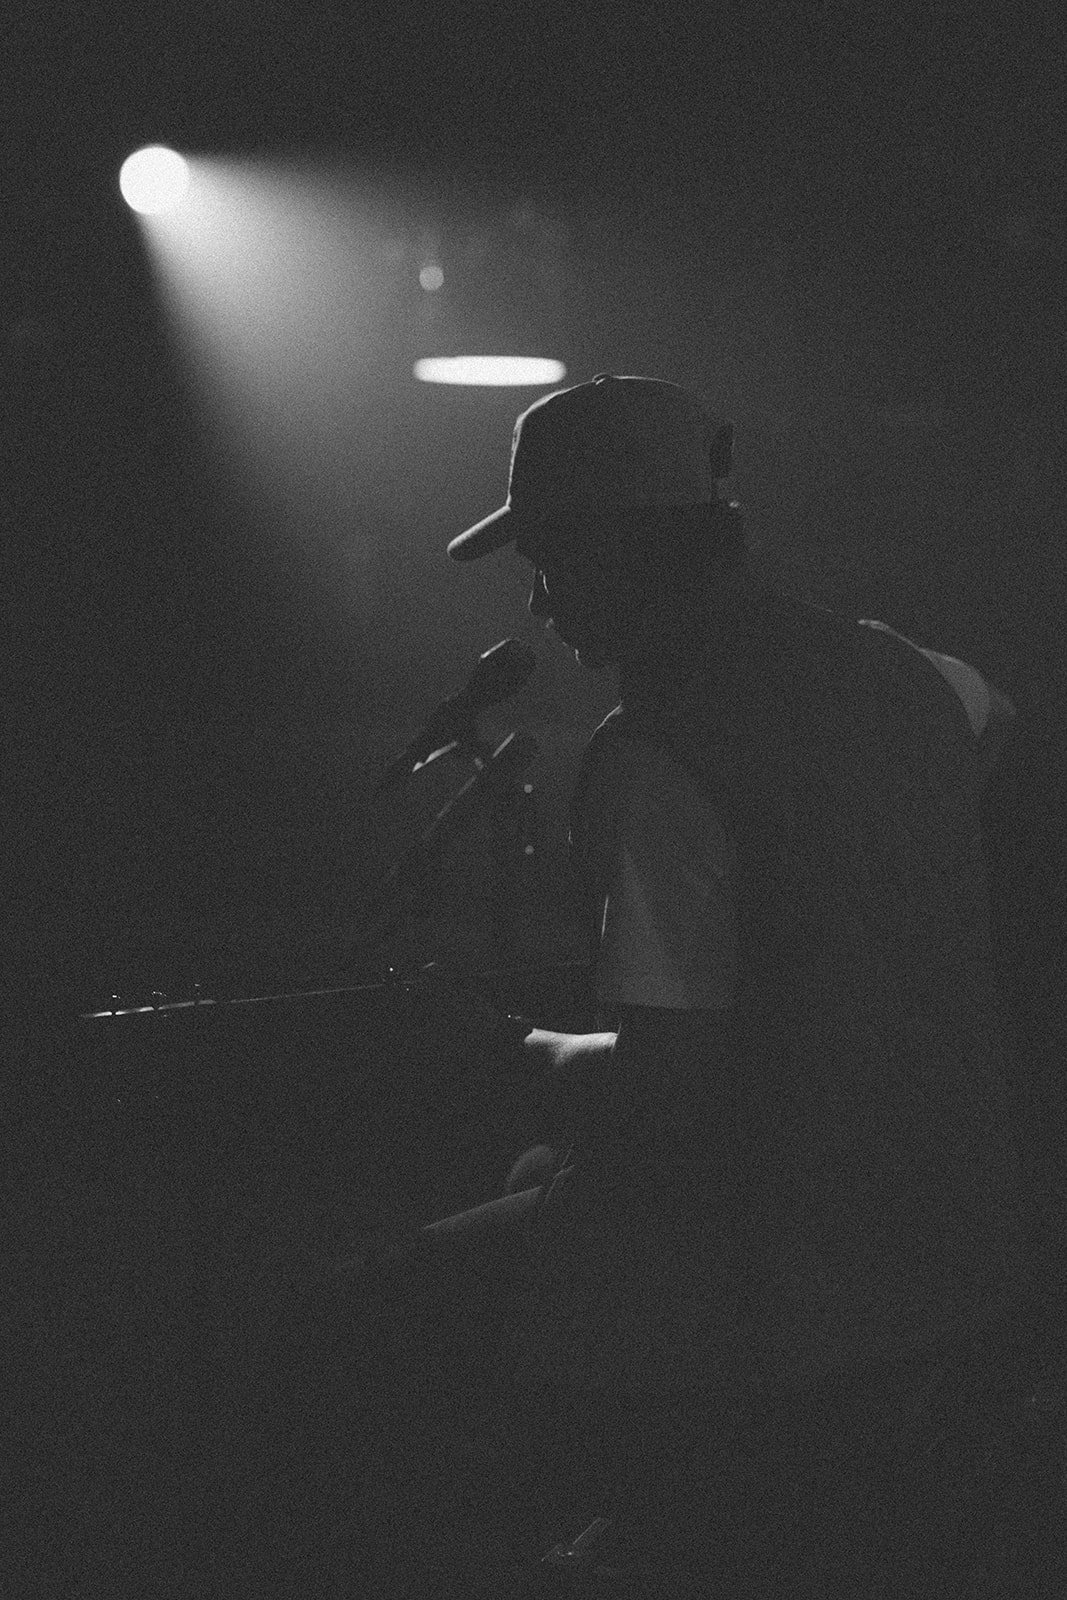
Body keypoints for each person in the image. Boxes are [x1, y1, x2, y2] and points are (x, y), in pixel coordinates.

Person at [346, 373, 1031, 1597]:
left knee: (368, 1326)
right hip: (965, 1262)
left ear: (616, 549)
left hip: (783, 1301)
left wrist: (504, 1050)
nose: (539, 601)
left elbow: (666, 1093)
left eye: (549, 558)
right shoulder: (916, 675)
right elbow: (1004, 756)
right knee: (533, 1196)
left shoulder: (660, 752)